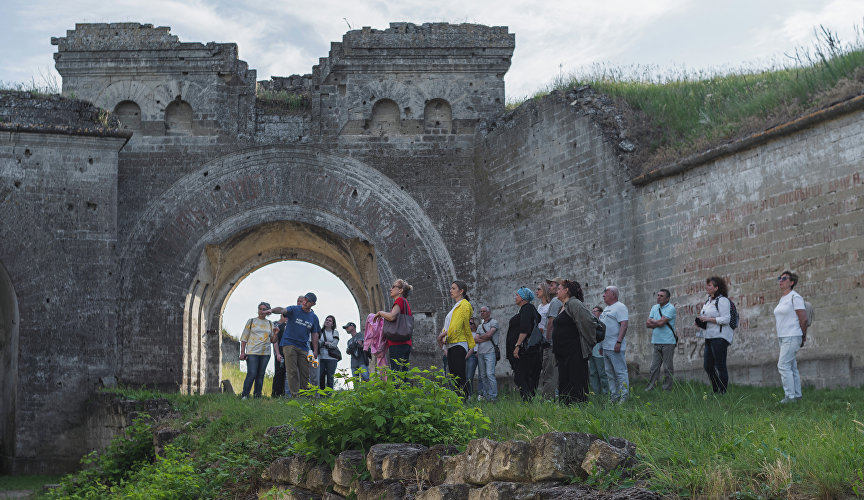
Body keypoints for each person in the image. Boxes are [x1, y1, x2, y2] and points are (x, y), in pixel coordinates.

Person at [270, 293, 321, 397]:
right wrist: (271, 310)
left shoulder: (314, 317)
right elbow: (283, 310)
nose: (305, 302)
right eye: (304, 299)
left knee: (305, 373)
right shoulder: (294, 309)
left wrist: (315, 350)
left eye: (308, 301)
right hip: (289, 344)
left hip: (304, 347)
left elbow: (315, 334)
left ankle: (306, 396)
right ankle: (295, 396)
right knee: (292, 371)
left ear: (313, 304)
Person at [553, 280, 595, 404]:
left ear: (566, 290)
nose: (557, 291)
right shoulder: (563, 306)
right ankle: (567, 410)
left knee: (576, 382)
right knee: (564, 383)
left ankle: (580, 409)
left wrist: (589, 343)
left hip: (574, 352)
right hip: (563, 354)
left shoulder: (575, 303)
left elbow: (588, 323)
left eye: (559, 288)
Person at [437, 280, 474, 399]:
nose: (450, 290)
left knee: (459, 373)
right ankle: (458, 399)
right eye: (451, 288)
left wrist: (443, 336)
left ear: (461, 291)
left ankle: (464, 399)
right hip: (451, 343)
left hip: (459, 342)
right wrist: (443, 337)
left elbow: (457, 326)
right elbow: (448, 326)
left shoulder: (465, 305)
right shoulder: (456, 306)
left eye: (453, 288)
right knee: (453, 375)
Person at [774, 271, 807, 404]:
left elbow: (803, 319)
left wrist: (802, 337)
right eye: (779, 278)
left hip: (792, 336)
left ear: (791, 282)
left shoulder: (795, 297)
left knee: (783, 365)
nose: (780, 281)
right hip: (783, 337)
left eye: (784, 278)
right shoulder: (783, 298)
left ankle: (790, 397)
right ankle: (797, 396)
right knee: (792, 367)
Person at [697, 276, 732, 394]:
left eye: (709, 285)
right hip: (709, 336)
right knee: (708, 366)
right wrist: (700, 321)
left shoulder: (722, 300)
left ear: (716, 288)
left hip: (720, 337)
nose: (707, 287)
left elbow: (726, 319)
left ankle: (722, 391)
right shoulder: (708, 301)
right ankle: (716, 388)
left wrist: (708, 319)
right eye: (707, 285)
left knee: (720, 365)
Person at [507, 287, 542, 401]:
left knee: (521, 377)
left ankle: (528, 401)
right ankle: (528, 400)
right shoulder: (527, 309)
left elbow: (525, 329)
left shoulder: (527, 308)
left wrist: (517, 346)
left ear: (522, 298)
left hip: (525, 351)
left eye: (517, 295)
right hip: (527, 351)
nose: (515, 297)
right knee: (523, 376)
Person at [239, 302, 279, 399]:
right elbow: (244, 338)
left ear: (268, 311)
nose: (261, 311)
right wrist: (242, 352)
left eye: (264, 309)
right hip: (252, 352)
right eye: (260, 308)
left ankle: (257, 396)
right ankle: (245, 395)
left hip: (265, 353)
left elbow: (273, 341)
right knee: (252, 373)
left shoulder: (270, 324)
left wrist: (276, 333)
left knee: (260, 375)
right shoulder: (251, 321)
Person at [374, 278, 414, 372]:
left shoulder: (399, 300)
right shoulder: (404, 302)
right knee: (403, 374)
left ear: (400, 290)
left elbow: (392, 317)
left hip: (397, 344)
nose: (390, 289)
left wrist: (380, 313)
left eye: (393, 286)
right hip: (405, 343)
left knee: (396, 375)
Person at [599, 286, 629, 402]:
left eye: (605, 292)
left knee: (620, 372)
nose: (603, 295)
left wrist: (619, 341)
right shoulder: (607, 308)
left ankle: (624, 397)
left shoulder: (620, 307)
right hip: (606, 346)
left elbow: (624, 324)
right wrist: (601, 346)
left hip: (615, 346)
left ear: (613, 294)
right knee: (610, 374)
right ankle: (614, 396)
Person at [645, 289, 677, 391]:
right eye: (658, 295)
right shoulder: (654, 307)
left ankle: (667, 389)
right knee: (654, 368)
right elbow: (647, 324)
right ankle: (651, 388)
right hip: (656, 341)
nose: (658, 297)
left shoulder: (671, 308)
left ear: (667, 298)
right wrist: (657, 321)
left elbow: (661, 323)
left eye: (661, 296)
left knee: (667, 368)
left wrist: (655, 321)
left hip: (668, 342)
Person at [536, 282, 557, 398]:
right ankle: (547, 393)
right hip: (541, 340)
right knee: (544, 368)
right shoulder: (539, 306)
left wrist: (546, 334)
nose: (537, 291)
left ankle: (551, 395)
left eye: (539, 289)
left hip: (547, 339)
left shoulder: (550, 306)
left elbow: (550, 323)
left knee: (550, 368)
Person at [475, 306, 499, 401]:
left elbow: (490, 335)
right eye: (481, 311)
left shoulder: (494, 322)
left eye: (484, 311)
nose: (482, 313)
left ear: (489, 312)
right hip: (480, 353)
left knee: (490, 374)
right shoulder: (480, 326)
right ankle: (487, 396)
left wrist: (480, 338)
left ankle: (493, 396)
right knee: (483, 376)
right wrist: (483, 338)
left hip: (490, 352)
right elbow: (475, 339)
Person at [588, 306, 609, 395]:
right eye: (592, 311)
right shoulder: (591, 323)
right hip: (591, 351)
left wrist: (601, 347)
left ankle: (606, 392)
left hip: (599, 351)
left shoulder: (602, 323)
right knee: (592, 373)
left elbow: (604, 337)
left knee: (602, 374)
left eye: (595, 311)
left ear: (600, 312)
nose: (593, 313)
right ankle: (596, 392)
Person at [318, 315, 340, 389]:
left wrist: (323, 343)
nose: (327, 321)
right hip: (321, 357)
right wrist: (325, 343)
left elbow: (334, 345)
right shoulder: (320, 332)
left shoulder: (335, 332)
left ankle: (329, 395)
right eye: (326, 320)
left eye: (330, 321)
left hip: (332, 358)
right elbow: (316, 343)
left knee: (330, 378)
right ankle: (321, 395)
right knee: (320, 376)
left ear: (333, 324)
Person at [271, 312, 288, 398]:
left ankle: (285, 394)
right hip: (281, 354)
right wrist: (277, 354)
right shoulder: (280, 327)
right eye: (286, 317)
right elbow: (275, 342)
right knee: (279, 374)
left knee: (288, 375)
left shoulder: (295, 328)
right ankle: (275, 394)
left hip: (291, 355)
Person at [465, 317, 479, 397]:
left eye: (470, 323)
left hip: (477, 354)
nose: (469, 325)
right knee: (468, 376)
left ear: (475, 324)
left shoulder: (479, 332)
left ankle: (479, 394)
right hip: (469, 354)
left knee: (481, 376)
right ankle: (469, 394)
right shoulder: (467, 333)